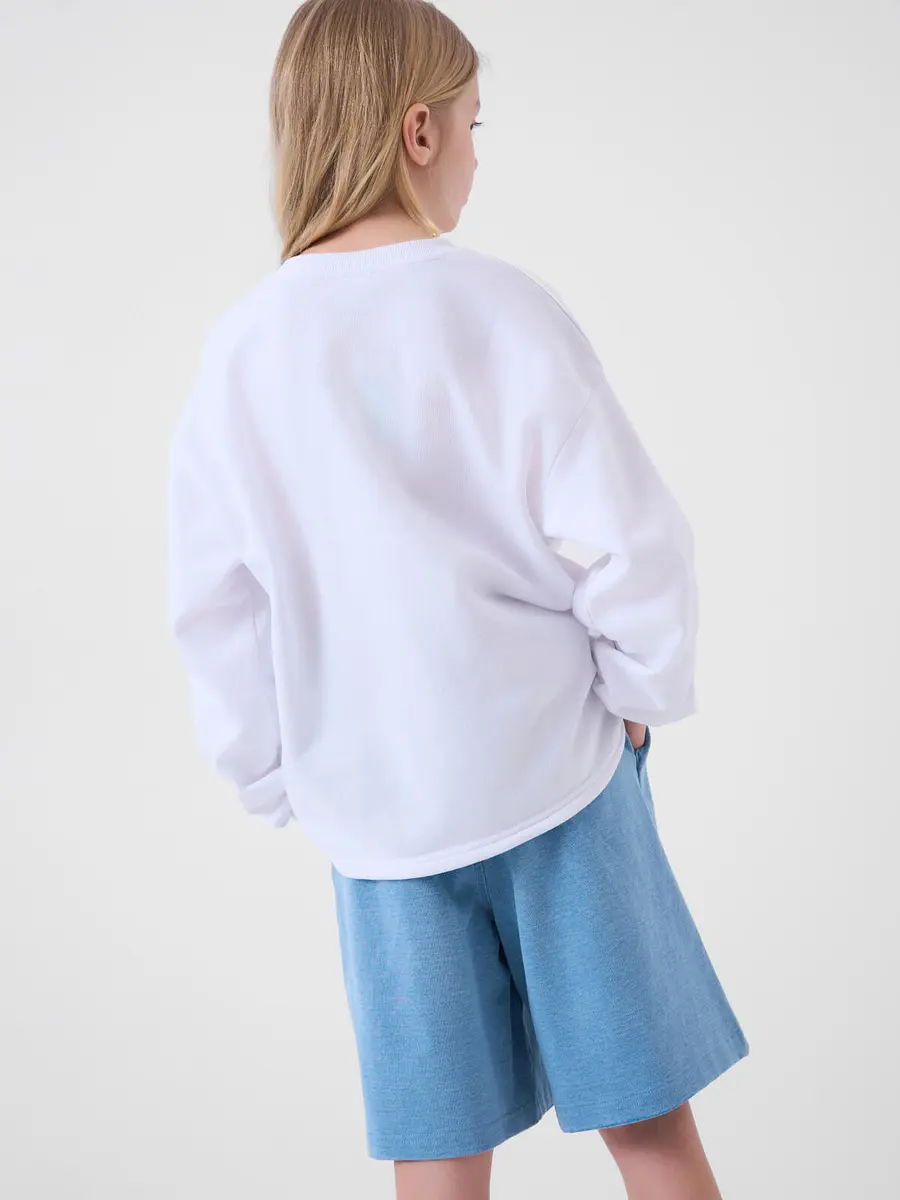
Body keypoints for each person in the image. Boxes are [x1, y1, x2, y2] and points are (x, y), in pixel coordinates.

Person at [167, 1, 749, 1196]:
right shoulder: (499, 306)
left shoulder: (242, 354)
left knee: (436, 1162)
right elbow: (632, 535)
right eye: (475, 124)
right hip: (558, 785)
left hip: (381, 823)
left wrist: (273, 773)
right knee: (649, 1130)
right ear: (418, 132)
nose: (479, 153)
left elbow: (215, 604)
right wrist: (639, 690)